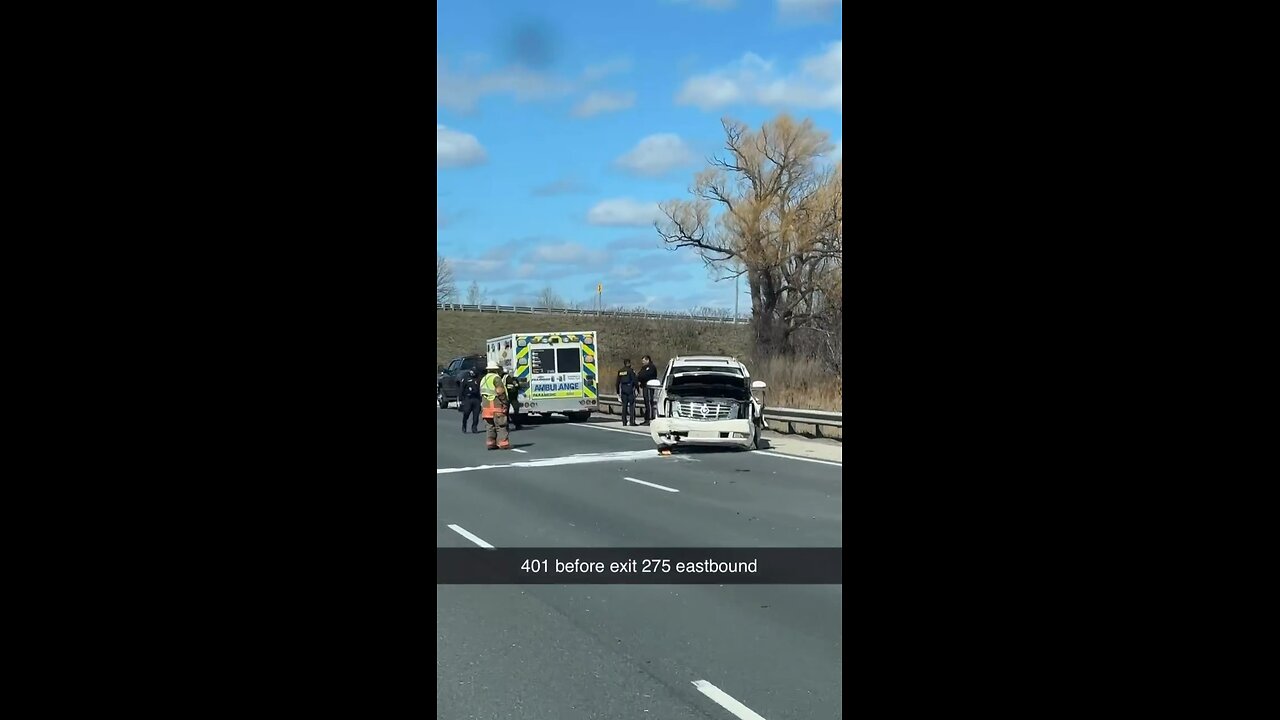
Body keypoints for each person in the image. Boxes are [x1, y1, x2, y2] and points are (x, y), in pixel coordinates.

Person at [479, 362, 510, 450]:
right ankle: (503, 443)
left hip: (486, 406)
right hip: (496, 405)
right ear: (496, 370)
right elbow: (500, 391)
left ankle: (491, 443)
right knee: (501, 425)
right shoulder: (496, 378)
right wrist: (504, 402)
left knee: (490, 426)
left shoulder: (484, 379)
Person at [636, 355, 657, 424]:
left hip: (649, 387)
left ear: (647, 360)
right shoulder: (644, 368)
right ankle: (647, 419)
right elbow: (639, 375)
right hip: (644, 387)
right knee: (646, 403)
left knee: (649, 402)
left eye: (644, 361)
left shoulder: (651, 367)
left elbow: (645, 375)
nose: (643, 362)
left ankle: (650, 419)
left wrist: (641, 377)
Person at [616, 359, 638, 425]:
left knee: (624, 406)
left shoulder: (620, 371)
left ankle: (624, 421)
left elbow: (617, 383)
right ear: (629, 363)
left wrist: (617, 392)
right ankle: (632, 421)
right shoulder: (631, 371)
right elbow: (635, 380)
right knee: (632, 406)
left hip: (623, 390)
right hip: (630, 390)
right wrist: (637, 389)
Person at [459, 369, 481, 434]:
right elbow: (461, 389)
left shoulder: (478, 379)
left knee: (476, 415)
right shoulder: (466, 379)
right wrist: (460, 399)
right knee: (466, 413)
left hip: (476, 399)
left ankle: (474, 428)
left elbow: (480, 389)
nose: (473, 373)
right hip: (468, 398)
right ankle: (464, 425)